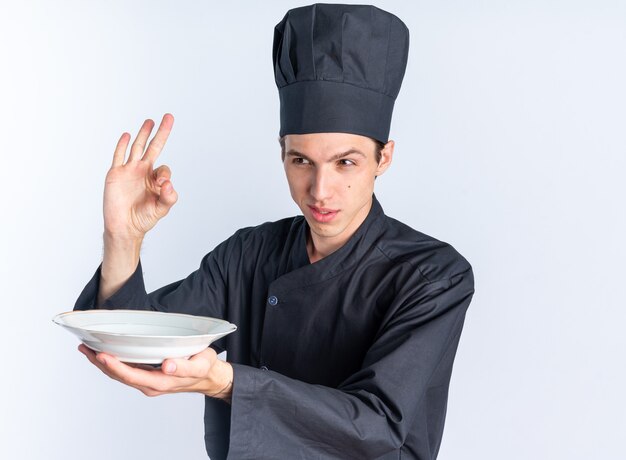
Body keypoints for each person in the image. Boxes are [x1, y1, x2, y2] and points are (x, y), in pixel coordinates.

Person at [74, 4, 474, 459]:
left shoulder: (433, 275)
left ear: (383, 158)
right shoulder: (249, 254)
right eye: (301, 160)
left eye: (346, 162)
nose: (320, 190)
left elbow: (376, 424)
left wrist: (228, 383)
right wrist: (124, 237)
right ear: (281, 153)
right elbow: (139, 351)